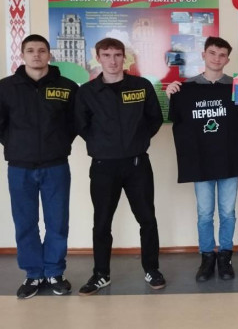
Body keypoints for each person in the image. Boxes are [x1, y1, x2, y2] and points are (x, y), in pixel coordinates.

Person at [75, 37, 165, 295]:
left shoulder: (141, 86)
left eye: (117, 55)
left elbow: (155, 119)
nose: (112, 61)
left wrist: (137, 141)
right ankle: (101, 274)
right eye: (106, 55)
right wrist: (103, 145)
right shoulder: (87, 92)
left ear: (124, 57)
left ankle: (152, 269)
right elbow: (80, 125)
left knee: (147, 219)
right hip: (103, 165)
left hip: (137, 164)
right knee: (102, 222)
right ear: (98, 58)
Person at [0, 34, 78, 299]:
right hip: (19, 167)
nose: (36, 55)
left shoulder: (67, 87)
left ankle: (55, 272)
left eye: (42, 50)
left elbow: (74, 124)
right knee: (25, 223)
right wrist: (17, 145)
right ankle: (33, 274)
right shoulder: (6, 87)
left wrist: (57, 144)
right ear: (22, 55)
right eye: (31, 50)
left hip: (56, 166)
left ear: (49, 55)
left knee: (58, 222)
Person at [167, 36, 238, 281]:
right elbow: (177, 119)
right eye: (212, 53)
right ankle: (206, 257)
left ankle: (225, 257)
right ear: (203, 55)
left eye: (222, 55)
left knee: (228, 212)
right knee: (204, 213)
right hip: (199, 160)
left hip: (229, 159)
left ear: (227, 59)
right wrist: (172, 97)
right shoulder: (186, 88)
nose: (216, 58)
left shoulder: (237, 87)